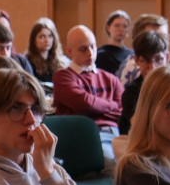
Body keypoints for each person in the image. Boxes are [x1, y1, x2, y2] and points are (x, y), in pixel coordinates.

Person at [52, 25, 124, 163]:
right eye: (83, 49)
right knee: (115, 167)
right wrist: (111, 105)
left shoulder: (111, 79)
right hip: (82, 138)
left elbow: (122, 112)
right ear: (69, 51)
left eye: (93, 46)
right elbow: (85, 103)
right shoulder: (63, 77)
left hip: (114, 135)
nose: (90, 53)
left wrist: (95, 109)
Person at [118, 30, 169, 134]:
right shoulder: (131, 94)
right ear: (137, 60)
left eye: (158, 59)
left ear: (167, 58)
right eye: (146, 60)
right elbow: (143, 129)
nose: (153, 66)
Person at [25, 17, 66, 81]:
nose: (47, 40)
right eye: (42, 37)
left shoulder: (60, 61)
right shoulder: (27, 62)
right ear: (34, 40)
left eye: (50, 36)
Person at [95, 10, 132, 75]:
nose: (121, 29)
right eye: (117, 25)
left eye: (125, 26)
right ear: (108, 28)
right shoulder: (100, 54)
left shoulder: (132, 54)